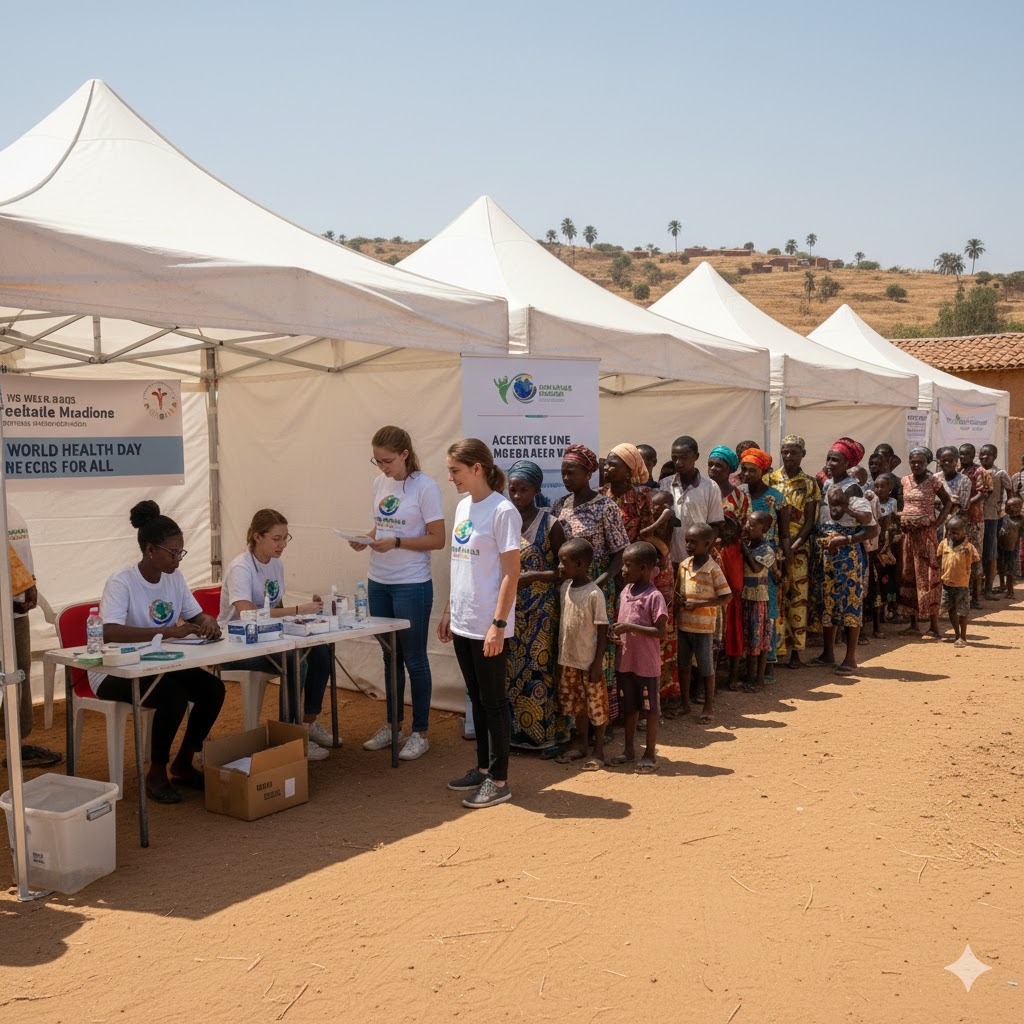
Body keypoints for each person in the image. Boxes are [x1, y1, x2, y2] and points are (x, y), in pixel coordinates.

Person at [90, 501, 224, 804]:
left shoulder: (174, 578)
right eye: (172, 553)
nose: (178, 559)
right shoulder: (122, 582)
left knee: (212, 689)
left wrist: (207, 621)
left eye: (181, 552)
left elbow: (195, 614)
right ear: (150, 550)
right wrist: (167, 632)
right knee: (173, 696)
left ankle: (184, 762)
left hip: (160, 663)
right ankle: (157, 772)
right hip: (114, 669)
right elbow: (109, 631)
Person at [351, 425, 445, 761]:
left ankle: (420, 732)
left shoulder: (425, 487)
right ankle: (393, 725)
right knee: (390, 656)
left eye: (387, 461)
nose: (382, 467)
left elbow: (437, 539)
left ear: (405, 454)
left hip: (411, 583)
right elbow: (382, 525)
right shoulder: (380, 482)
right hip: (378, 580)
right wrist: (365, 538)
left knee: (414, 658)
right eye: (377, 461)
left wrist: (398, 543)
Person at [438, 439, 520, 809]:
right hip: (463, 621)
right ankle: (484, 768)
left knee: (493, 701)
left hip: (489, 624)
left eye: (455, 470)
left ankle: (499, 781)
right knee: (477, 697)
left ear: (477, 468)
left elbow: (511, 573)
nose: (450, 478)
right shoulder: (462, 506)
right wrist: (449, 611)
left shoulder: (503, 511)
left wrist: (498, 624)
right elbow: (460, 565)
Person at [220, 509, 332, 760]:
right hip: (237, 646)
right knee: (295, 660)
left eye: (285, 538)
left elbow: (274, 607)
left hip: (266, 639)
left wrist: (304, 616)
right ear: (257, 537)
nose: (282, 545)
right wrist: (298, 610)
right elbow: (247, 613)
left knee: (321, 649)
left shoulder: (276, 563)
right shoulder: (241, 567)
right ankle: (289, 736)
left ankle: (308, 723)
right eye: (276, 539)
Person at [554, 444, 628, 722]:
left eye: (571, 472)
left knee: (597, 648)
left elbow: (620, 552)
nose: (566, 478)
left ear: (588, 475)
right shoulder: (561, 506)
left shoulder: (605, 506)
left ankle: (601, 720)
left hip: (597, 585)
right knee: (573, 645)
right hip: (570, 587)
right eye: (563, 473)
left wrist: (598, 583)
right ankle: (576, 723)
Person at [505, 460, 569, 756]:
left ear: (536, 490)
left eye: (523, 490)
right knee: (511, 671)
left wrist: (534, 576)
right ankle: (515, 736)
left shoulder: (550, 524)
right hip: (511, 609)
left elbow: (565, 570)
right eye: (513, 489)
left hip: (543, 611)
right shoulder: (503, 520)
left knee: (540, 669)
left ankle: (547, 738)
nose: (517, 495)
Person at [0, 504, 62, 769]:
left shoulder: (9, 508)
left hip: (16, 610)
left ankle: (15, 743)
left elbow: (21, 554)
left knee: (19, 673)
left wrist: (32, 583)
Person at [609, 542, 667, 771]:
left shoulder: (654, 597)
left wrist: (630, 628)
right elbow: (622, 623)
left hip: (646, 665)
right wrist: (617, 635)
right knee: (629, 708)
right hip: (625, 662)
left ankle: (650, 753)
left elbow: (660, 632)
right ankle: (629, 750)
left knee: (650, 710)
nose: (623, 569)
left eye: (627, 565)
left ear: (643, 568)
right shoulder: (625, 592)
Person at [553, 539, 610, 769]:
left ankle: (599, 751)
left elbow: (603, 631)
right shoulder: (564, 588)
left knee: (596, 706)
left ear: (580, 564)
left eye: (563, 562)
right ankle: (582, 745)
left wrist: (597, 663)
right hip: (568, 659)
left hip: (588, 661)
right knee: (577, 706)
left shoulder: (595, 594)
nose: (559, 566)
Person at [811, 487, 878, 674]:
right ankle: (828, 654)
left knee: (851, 606)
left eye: (840, 504)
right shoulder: (823, 506)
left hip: (850, 562)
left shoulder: (857, 506)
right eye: (833, 504)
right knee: (827, 605)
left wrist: (847, 539)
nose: (836, 509)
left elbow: (873, 529)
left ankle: (850, 659)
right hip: (827, 562)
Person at [768, 435, 821, 667]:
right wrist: (779, 547)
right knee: (777, 598)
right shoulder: (770, 479)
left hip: (799, 550)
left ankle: (797, 651)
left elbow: (809, 522)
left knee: (798, 598)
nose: (788, 456)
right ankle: (776, 649)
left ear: (803, 454)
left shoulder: (809, 483)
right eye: (785, 452)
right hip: (773, 548)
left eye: (794, 452)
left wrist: (793, 547)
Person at [738, 448, 790, 671]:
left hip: (767, 560)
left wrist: (786, 565)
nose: (747, 474)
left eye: (752, 470)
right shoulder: (739, 494)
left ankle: (767, 662)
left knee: (768, 609)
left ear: (764, 471)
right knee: (746, 608)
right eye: (744, 469)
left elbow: (785, 534)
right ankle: (746, 661)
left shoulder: (777, 498)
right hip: (742, 556)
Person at [675, 523, 732, 721]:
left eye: (693, 542)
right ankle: (684, 704)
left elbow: (726, 596)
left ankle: (708, 707)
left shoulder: (713, 569)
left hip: (704, 627)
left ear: (707, 544)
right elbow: (679, 592)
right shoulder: (684, 565)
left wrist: (700, 603)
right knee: (683, 665)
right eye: (687, 541)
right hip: (684, 625)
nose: (688, 545)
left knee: (706, 668)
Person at [898, 447, 953, 637]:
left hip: (926, 537)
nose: (916, 465)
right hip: (908, 537)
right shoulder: (904, 481)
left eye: (920, 462)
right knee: (909, 575)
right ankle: (913, 624)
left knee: (928, 577)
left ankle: (934, 626)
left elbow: (948, 502)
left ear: (927, 463)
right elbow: (903, 504)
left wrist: (937, 523)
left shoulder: (933, 482)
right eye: (913, 462)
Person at [639, 489, 678, 703]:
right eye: (653, 505)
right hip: (653, 595)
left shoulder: (662, 526)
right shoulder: (650, 530)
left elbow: (666, 515)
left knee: (663, 643)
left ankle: (662, 696)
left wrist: (657, 520)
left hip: (662, 595)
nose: (655, 509)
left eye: (660, 506)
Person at [739, 510, 775, 691]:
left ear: (765, 529)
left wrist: (743, 548)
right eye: (747, 523)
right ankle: (750, 676)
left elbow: (755, 568)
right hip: (745, 596)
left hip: (758, 599)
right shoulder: (749, 545)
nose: (748, 527)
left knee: (758, 640)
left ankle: (758, 679)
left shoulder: (767, 550)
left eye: (752, 525)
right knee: (750, 638)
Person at [957, 443, 991, 610]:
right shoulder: (957, 470)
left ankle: (976, 597)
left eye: (967, 454)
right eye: (961, 454)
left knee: (975, 557)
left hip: (974, 520)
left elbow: (983, 493)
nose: (963, 457)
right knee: (959, 557)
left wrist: (966, 503)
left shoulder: (980, 471)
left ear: (973, 455)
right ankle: (961, 595)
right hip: (958, 520)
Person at [937, 517, 979, 648]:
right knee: (951, 610)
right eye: (950, 532)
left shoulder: (968, 547)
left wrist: (973, 581)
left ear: (963, 531)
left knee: (962, 612)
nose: (953, 535)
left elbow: (976, 564)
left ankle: (963, 637)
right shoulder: (944, 544)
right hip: (947, 584)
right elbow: (939, 559)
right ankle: (956, 633)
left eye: (956, 533)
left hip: (962, 585)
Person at [600, 443, 654, 544]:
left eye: (612, 464)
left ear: (629, 471)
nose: (606, 467)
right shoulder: (599, 495)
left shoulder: (641, 499)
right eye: (606, 463)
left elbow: (646, 534)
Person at [979, 444, 1012, 598]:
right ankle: (977, 587)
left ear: (994, 456)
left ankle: (989, 587)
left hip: (993, 517)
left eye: (988, 455)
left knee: (991, 553)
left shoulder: (1000, 473)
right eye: (982, 454)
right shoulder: (976, 472)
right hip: (976, 517)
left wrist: (1007, 511)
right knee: (977, 553)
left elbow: (1010, 492)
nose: (984, 457)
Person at [716, 515, 746, 690]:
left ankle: (732, 677)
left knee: (734, 639)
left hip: (732, 601)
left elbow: (736, 581)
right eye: (723, 528)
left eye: (729, 529)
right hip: (719, 600)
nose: (726, 532)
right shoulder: (716, 549)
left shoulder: (736, 547)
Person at [867, 473, 899, 637]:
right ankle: (875, 625)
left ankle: (888, 614)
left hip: (885, 548)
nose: (879, 489)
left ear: (890, 489)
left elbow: (893, 526)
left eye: (883, 486)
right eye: (876, 486)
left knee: (886, 585)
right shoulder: (870, 502)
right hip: (873, 549)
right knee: (875, 589)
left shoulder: (892, 503)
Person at [707, 445, 750, 526]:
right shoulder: (701, 491)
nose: (712, 468)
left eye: (718, 465)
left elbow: (744, 526)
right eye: (710, 464)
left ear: (730, 469)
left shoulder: (740, 497)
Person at [998, 496, 1022, 599]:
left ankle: (1010, 591)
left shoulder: (1021, 519)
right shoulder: (1002, 519)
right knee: (1001, 567)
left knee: (1010, 570)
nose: (1010, 508)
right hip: (1001, 547)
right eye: (1008, 506)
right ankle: (1002, 585)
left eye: (1014, 506)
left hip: (1013, 548)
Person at [937, 446, 971, 518]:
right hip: (936, 518)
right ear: (939, 462)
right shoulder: (935, 478)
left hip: (954, 520)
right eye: (943, 460)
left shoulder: (964, 480)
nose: (947, 463)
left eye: (950, 461)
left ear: (956, 461)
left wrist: (942, 503)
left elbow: (961, 505)